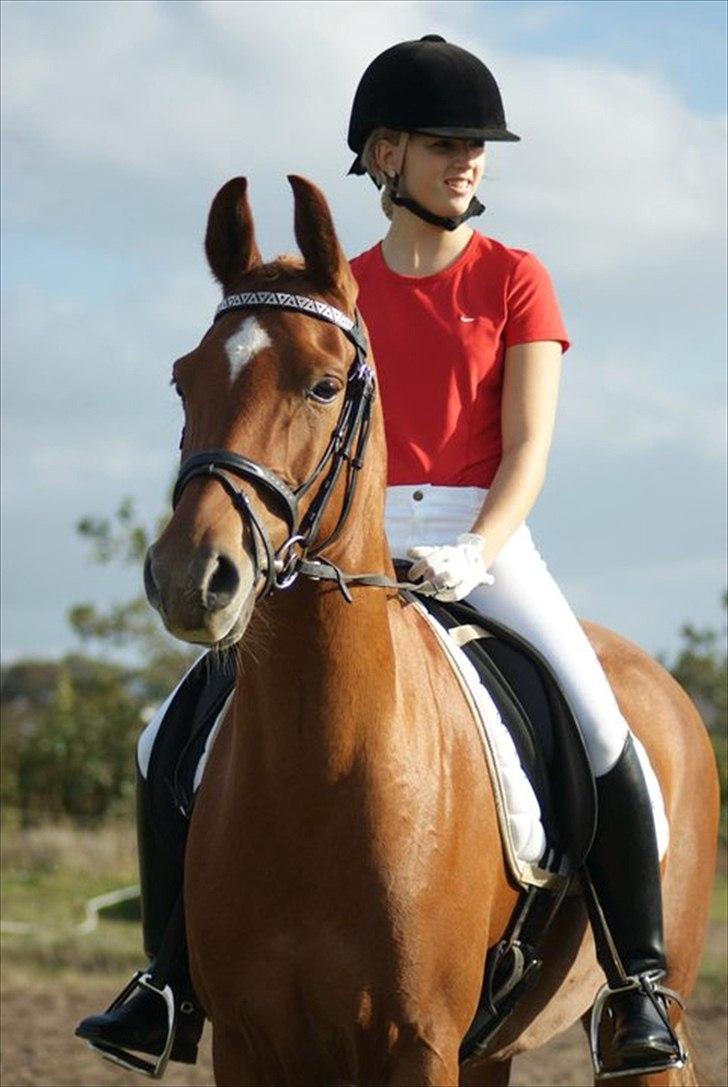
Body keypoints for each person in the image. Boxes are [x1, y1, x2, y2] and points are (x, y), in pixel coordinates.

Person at [76, 34, 681, 1077]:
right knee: (162, 737)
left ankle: (637, 986)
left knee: (599, 726)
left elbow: (528, 448)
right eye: (447, 143)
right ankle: (168, 980)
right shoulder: (331, 292)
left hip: (479, 533)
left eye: (477, 146)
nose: (468, 160)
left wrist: (476, 547)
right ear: (384, 155)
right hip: (338, 536)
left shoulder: (514, 279)